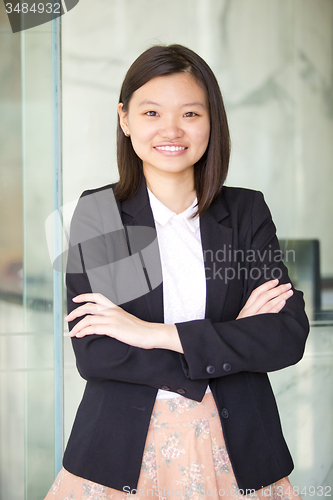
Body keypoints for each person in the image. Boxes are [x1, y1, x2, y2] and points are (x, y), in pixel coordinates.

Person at [44, 44, 309, 500]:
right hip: (120, 451)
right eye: (151, 112)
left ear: (213, 123)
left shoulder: (244, 212)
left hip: (240, 449)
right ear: (125, 119)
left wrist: (155, 333)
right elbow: (100, 354)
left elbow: (285, 334)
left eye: (190, 114)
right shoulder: (101, 213)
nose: (171, 130)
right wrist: (230, 338)